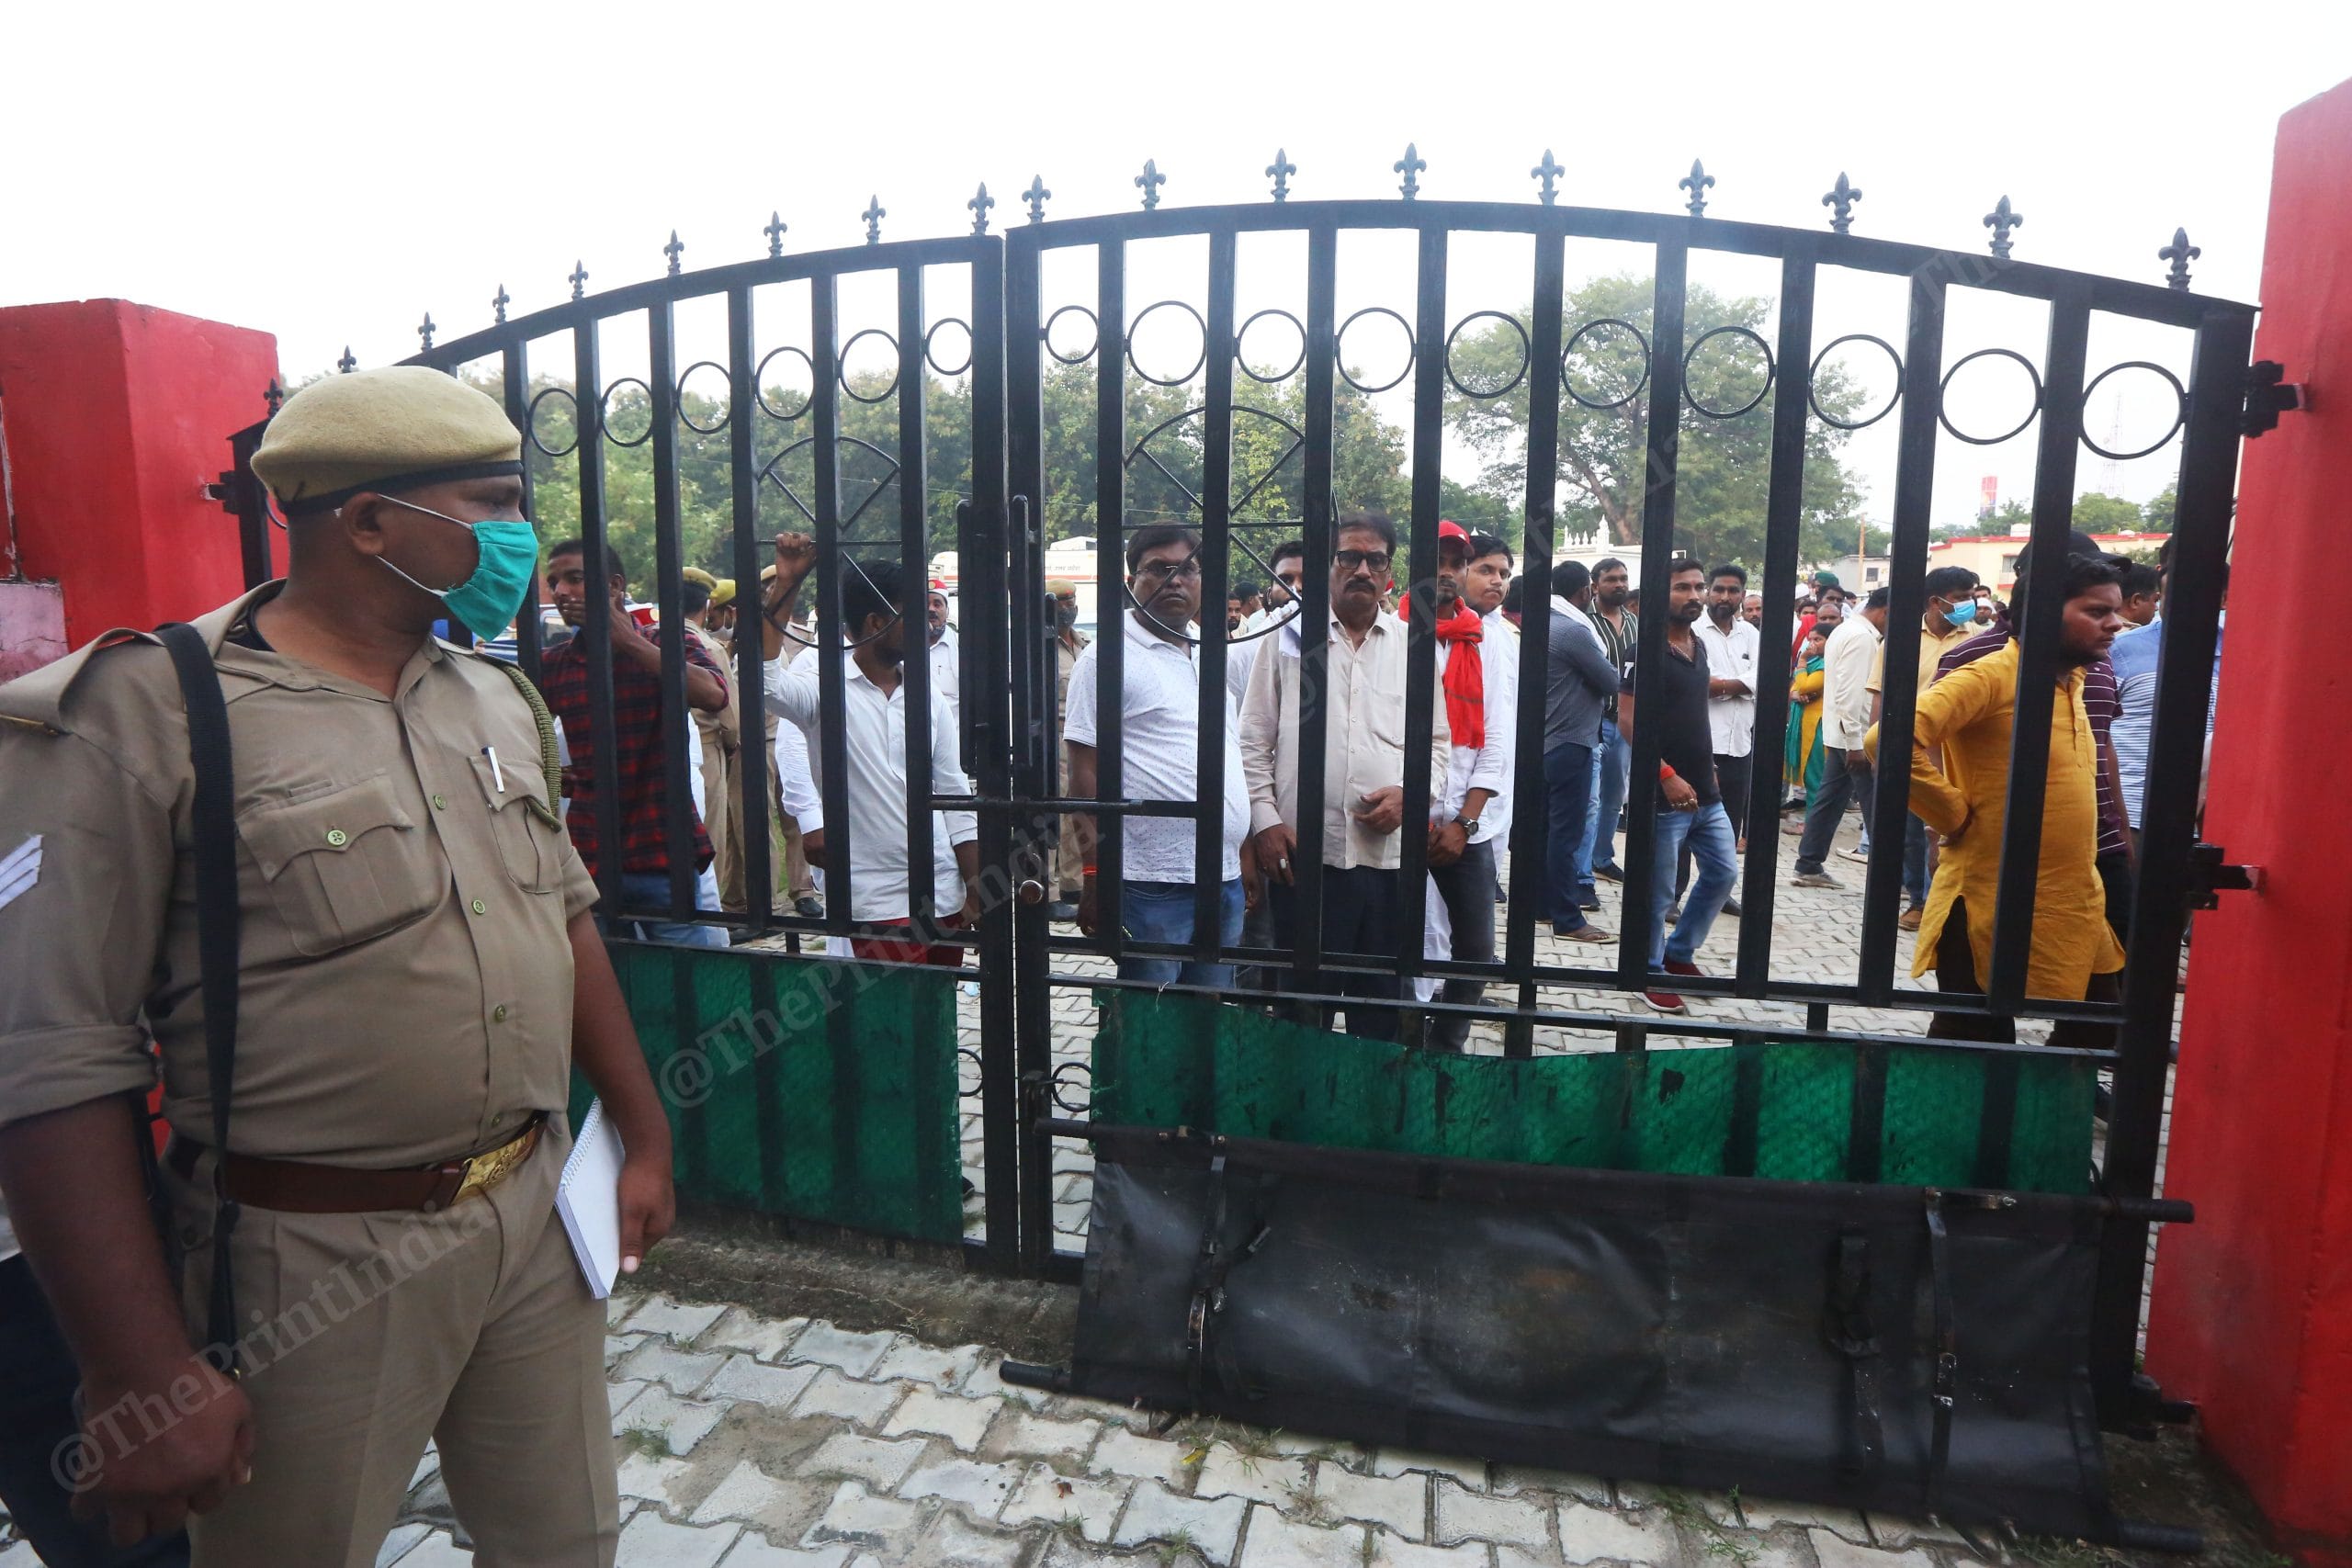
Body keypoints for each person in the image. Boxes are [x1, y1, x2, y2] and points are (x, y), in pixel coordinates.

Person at [0, 366, 674, 1562]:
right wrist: (135, 1365)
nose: (519, 536)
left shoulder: (498, 696)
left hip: (528, 1207)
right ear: (368, 521)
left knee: (566, 1538)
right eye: (494, 501)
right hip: (303, 1255)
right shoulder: (146, 710)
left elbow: (563, 914)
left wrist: (642, 1130)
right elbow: (53, 1048)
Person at [1872, 548, 2128, 1042]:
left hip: (2071, 895)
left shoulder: (2073, 680)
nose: (2114, 624)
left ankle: (2040, 1116)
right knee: (1973, 1035)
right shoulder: (1989, 675)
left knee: (2094, 1028)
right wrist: (1950, 814)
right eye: (2097, 612)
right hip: (1988, 893)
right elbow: (1887, 739)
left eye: (2114, 610)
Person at [1240, 513, 1451, 1040]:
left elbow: (1440, 744)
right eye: (1348, 557)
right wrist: (1264, 822)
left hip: (1389, 864)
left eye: (1374, 559)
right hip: (1305, 859)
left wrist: (1412, 795)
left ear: (1389, 571)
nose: (1361, 569)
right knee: (1301, 1013)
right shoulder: (1286, 640)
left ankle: (1364, 1118)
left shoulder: (1415, 646)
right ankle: (1296, 1116)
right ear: (1327, 567)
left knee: (1378, 1013)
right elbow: (1252, 739)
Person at [761, 544, 981, 964]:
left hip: (941, 890)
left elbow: (954, 789)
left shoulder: (926, 694)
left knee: (935, 1021)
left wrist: (974, 885)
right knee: (888, 1023)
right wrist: (787, 585)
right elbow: (763, 683)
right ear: (876, 623)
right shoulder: (822, 689)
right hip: (875, 901)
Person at [1065, 526, 1256, 988]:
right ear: (1133, 582)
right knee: (1152, 1024)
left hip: (1223, 877)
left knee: (1208, 1021)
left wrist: (1243, 853)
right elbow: (1084, 772)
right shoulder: (1108, 656)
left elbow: (1229, 756)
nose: (1175, 580)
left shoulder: (1208, 652)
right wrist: (1094, 875)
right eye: (1159, 569)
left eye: (1187, 569)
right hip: (1150, 883)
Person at [540, 538, 731, 947]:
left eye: (574, 579)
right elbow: (515, 732)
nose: (560, 592)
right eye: (554, 582)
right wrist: (560, 777)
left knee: (692, 988)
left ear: (614, 586)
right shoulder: (557, 663)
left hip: (661, 848)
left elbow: (714, 696)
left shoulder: (664, 641)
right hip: (589, 854)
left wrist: (626, 640)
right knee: (611, 989)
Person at [1618, 558, 1738, 1014]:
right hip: (1663, 793)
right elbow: (1628, 722)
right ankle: (1647, 969)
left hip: (1705, 791)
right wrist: (1666, 775)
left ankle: (1679, 952)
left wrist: (1705, 766)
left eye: (1697, 587)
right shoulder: (1643, 651)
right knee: (1658, 890)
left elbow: (1693, 711)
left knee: (1723, 872)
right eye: (1681, 588)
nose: (1693, 595)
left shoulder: (1698, 644)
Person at [1419, 528, 1520, 1045]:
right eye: (1432, 559)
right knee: (1401, 942)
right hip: (1397, 817)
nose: (1444, 570)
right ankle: (1399, 1036)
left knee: (1476, 950)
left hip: (1465, 820)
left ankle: (1447, 1045)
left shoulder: (1478, 639)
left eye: (1454, 562)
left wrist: (1465, 819)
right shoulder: (1385, 634)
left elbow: (1496, 737)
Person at [1865, 565, 1981, 929]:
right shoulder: (1898, 639)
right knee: (1911, 829)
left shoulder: (1979, 639)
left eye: (1971, 597)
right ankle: (1918, 899)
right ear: (1936, 601)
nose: (1970, 604)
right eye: (1962, 598)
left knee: (1953, 825)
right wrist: (1877, 746)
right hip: (1909, 745)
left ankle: (1945, 901)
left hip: (1958, 747)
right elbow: (1880, 695)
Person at [1542, 560, 1620, 943]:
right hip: (1572, 742)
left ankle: (1542, 906)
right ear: (1586, 591)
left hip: (1542, 744)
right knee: (1566, 836)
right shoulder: (1573, 631)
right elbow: (1610, 680)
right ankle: (1569, 919)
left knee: (1543, 832)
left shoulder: (1541, 626)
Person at [1790, 585, 1888, 889]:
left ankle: (1808, 864)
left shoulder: (1849, 631)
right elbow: (1852, 693)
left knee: (1829, 800)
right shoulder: (1861, 637)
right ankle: (1888, 877)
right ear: (1886, 611)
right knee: (1875, 804)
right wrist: (1857, 744)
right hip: (1855, 737)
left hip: (1842, 734)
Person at [677, 573, 745, 924]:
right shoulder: (709, 646)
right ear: (706, 606)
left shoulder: (652, 640)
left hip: (664, 748)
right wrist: (733, 745)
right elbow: (730, 716)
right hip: (706, 749)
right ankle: (710, 917)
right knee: (709, 836)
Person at [1582, 558, 1637, 884]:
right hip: (1593, 718)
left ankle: (1601, 857)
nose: (1619, 584)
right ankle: (1580, 863)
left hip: (1624, 720)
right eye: (1611, 579)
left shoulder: (1634, 622)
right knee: (1587, 796)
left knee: (1614, 794)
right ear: (1595, 584)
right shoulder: (1585, 621)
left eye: (1623, 578)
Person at [1046, 578, 1090, 919]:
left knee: (1078, 810)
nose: (1067, 607)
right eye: (1060, 602)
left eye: (1071, 600)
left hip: (1081, 739)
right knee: (1051, 815)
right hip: (1050, 737)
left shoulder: (1084, 643)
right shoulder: (1037, 645)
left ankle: (1074, 884)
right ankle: (1047, 892)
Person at [1785, 625, 1831, 810]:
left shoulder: (1826, 664)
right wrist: (1796, 694)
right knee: (1808, 775)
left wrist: (1802, 660)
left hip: (1816, 726)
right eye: (1810, 639)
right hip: (1804, 724)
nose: (1812, 644)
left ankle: (1812, 825)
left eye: (1818, 639)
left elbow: (1803, 686)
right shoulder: (1815, 663)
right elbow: (1794, 689)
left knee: (1815, 778)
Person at [925, 588, 961, 726]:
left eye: (937, 604)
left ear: (947, 612)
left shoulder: (960, 646)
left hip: (955, 738)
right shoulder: (903, 646)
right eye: (925, 603)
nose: (931, 609)